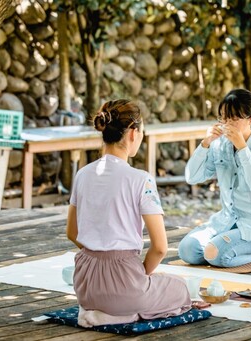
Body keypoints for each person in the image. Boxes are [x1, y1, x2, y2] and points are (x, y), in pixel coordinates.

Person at [66, 99, 193, 325]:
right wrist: (139, 274)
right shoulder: (141, 179)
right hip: (124, 282)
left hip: (85, 284)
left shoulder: (82, 175)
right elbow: (161, 248)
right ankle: (120, 313)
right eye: (142, 132)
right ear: (133, 133)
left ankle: (105, 311)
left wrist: (98, 254)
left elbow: (72, 233)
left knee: (147, 288)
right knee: (181, 289)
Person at [178, 89, 251, 268]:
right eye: (223, 118)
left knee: (214, 254)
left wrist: (242, 149)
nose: (227, 124)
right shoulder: (219, 146)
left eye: (233, 119)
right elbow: (192, 177)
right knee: (187, 250)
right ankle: (223, 248)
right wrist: (206, 143)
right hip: (226, 221)